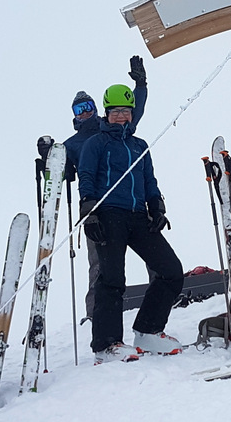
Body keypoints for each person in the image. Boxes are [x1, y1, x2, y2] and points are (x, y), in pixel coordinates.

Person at [77, 83, 183, 362]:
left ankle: (148, 330)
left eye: (126, 111)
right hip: (109, 214)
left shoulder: (139, 145)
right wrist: (89, 211)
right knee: (112, 278)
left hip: (138, 216)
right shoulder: (96, 143)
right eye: (115, 112)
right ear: (106, 114)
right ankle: (107, 344)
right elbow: (86, 176)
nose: (121, 117)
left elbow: (149, 179)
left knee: (170, 270)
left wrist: (156, 205)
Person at [63, 57, 148, 322]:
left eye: (88, 106)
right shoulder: (72, 144)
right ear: (74, 114)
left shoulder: (109, 128)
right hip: (99, 209)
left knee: (152, 252)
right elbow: (64, 174)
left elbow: (136, 108)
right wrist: (49, 159)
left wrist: (141, 85)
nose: (85, 112)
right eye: (80, 109)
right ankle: (95, 314)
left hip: (132, 202)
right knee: (99, 264)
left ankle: (160, 300)